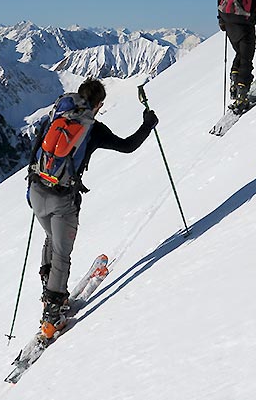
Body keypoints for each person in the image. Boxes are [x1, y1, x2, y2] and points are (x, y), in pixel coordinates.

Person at [27, 78, 158, 338]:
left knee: (51, 240)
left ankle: (52, 296)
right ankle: (53, 316)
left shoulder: (56, 115)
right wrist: (148, 124)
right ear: (98, 104)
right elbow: (128, 146)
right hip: (62, 199)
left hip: (35, 190)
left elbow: (36, 148)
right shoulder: (92, 128)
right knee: (62, 254)